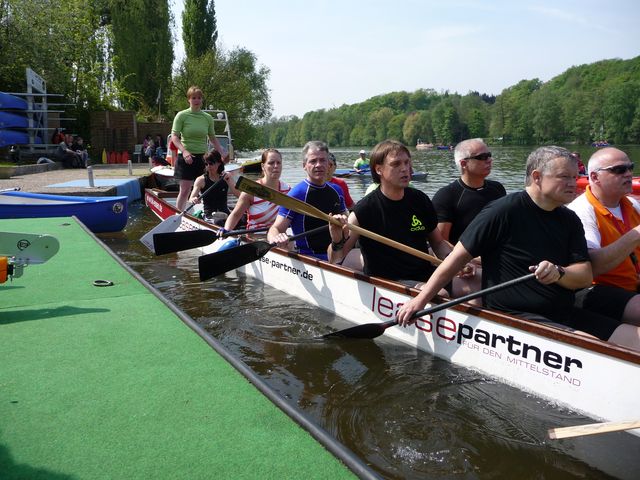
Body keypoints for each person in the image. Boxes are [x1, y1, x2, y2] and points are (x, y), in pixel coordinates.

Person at [396, 146, 640, 352]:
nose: (573, 183)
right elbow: (455, 259)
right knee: (602, 350)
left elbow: (585, 276)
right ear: (537, 177)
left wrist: (559, 273)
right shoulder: (502, 211)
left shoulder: (569, 219)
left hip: (563, 310)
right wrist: (419, 301)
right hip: (516, 315)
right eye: (564, 177)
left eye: (575, 176)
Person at [327, 140, 476, 294]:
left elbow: (438, 243)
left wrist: (456, 262)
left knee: (479, 279)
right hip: (389, 282)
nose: (405, 168)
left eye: (407, 162)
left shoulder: (420, 200)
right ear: (379, 169)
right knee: (440, 294)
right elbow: (336, 259)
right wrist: (337, 241)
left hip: (425, 275)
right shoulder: (364, 209)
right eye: (396, 164)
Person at [568, 147, 640, 326]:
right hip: (596, 289)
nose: (628, 174)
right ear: (594, 177)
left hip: (633, 283)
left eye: (630, 167)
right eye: (619, 170)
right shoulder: (582, 211)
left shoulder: (631, 204)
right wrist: (636, 235)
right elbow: (592, 266)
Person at [267, 141, 347, 260]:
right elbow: (275, 229)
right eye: (313, 161)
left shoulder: (337, 191)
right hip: (309, 258)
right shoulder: (296, 194)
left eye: (323, 160)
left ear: (329, 164)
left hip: (338, 252)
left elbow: (347, 226)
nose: (318, 165)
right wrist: (277, 237)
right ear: (304, 165)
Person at [432, 138, 506, 244]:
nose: (489, 160)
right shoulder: (445, 196)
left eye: (489, 155)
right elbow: (441, 243)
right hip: (462, 254)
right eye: (482, 157)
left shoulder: (498, 189)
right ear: (463, 164)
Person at [171, 86, 228, 211]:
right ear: (189, 100)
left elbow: (212, 137)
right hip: (186, 157)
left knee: (206, 187)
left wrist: (221, 151)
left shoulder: (207, 118)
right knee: (185, 189)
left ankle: (207, 213)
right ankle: (178, 215)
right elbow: (174, 137)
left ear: (202, 100)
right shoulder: (182, 115)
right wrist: (184, 151)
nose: (196, 100)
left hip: (202, 158)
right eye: (193, 98)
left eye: (199, 98)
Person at [222, 148, 291, 232]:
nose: (276, 166)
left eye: (278, 163)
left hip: (278, 237)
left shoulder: (288, 191)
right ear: (263, 166)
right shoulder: (251, 190)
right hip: (255, 236)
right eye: (271, 163)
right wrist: (226, 230)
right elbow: (236, 215)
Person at [188, 150, 239, 225]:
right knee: (219, 222)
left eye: (211, 163)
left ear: (219, 163)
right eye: (206, 164)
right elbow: (191, 198)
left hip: (225, 213)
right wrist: (194, 199)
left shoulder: (226, 177)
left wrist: (229, 180)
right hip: (209, 215)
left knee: (242, 219)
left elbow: (238, 195)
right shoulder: (201, 180)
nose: (208, 166)